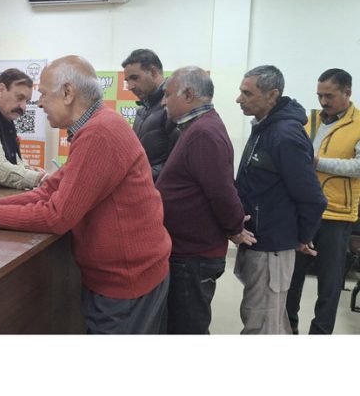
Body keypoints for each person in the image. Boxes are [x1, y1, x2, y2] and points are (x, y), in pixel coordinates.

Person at [0, 55, 172, 334]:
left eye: (43, 94)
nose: (38, 103)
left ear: (67, 93)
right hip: (126, 276)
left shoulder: (99, 133)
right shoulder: (96, 124)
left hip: (127, 282)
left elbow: (58, 216)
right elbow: (52, 188)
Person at [156, 66, 255, 334]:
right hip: (188, 250)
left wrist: (234, 227)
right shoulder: (198, 127)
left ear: (188, 94)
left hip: (192, 255)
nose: (164, 101)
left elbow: (221, 190)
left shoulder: (203, 132)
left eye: (167, 94)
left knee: (188, 328)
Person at [234, 65, 326, 334]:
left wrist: (302, 236)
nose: (239, 98)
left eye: (246, 93)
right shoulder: (264, 128)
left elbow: (312, 198)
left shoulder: (285, 135)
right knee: (268, 318)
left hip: (272, 244)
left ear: (272, 94)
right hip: (261, 241)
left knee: (261, 323)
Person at [286, 68, 360, 334]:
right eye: (319, 95)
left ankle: (320, 334)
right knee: (292, 278)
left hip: (336, 215)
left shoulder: (359, 123)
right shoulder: (310, 120)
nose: (323, 101)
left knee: (329, 283)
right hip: (304, 211)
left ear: (347, 92)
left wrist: (318, 163)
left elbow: (358, 167)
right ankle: (288, 327)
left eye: (329, 96)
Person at [122, 48, 179, 181]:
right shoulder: (142, 110)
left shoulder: (173, 107)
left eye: (134, 78)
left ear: (153, 72)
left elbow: (178, 161)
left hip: (163, 194)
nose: (130, 86)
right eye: (127, 81)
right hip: (144, 191)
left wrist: (140, 178)